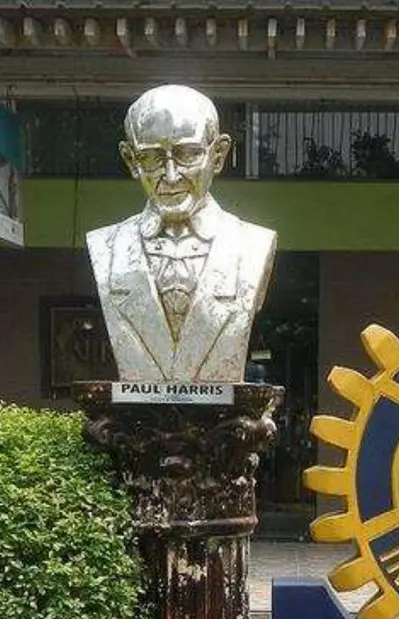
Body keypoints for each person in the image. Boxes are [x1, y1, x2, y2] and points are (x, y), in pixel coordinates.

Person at [87, 85, 277, 390]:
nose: (172, 175)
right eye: (152, 158)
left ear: (218, 155)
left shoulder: (251, 246)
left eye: (188, 154)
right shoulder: (107, 248)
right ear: (130, 159)